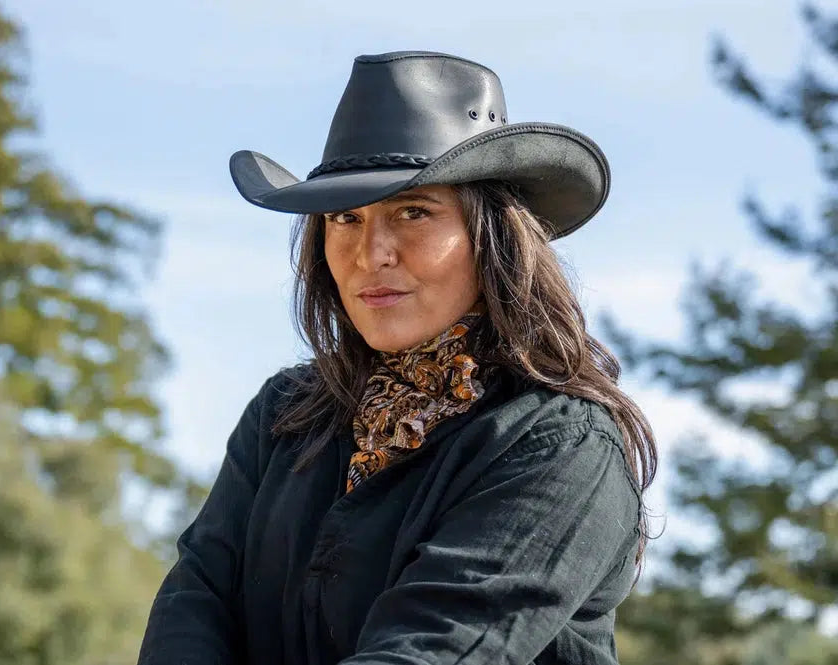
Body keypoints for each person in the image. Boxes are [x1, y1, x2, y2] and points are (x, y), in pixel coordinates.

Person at [137, 50, 657, 665]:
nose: (370, 252)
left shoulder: (561, 444)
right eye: (345, 218)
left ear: (492, 239)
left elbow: (433, 650)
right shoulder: (285, 415)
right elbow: (194, 604)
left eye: (413, 212)